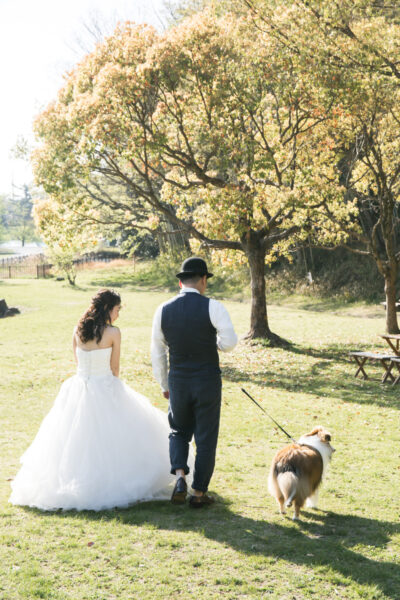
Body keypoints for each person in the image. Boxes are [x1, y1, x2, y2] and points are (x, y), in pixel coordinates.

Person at [10, 288, 190, 511]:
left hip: (78, 387)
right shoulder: (113, 332)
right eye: (117, 309)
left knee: (71, 440)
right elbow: (115, 369)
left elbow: (78, 362)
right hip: (104, 385)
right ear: (107, 309)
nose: (118, 314)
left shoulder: (78, 329)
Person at [151, 257, 237, 508]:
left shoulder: (163, 310)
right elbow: (230, 342)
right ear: (202, 280)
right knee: (206, 437)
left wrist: (164, 385)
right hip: (207, 380)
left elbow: (157, 351)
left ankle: (180, 477)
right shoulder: (214, 307)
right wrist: (216, 344)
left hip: (178, 379)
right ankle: (198, 492)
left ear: (180, 282)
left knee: (178, 429)